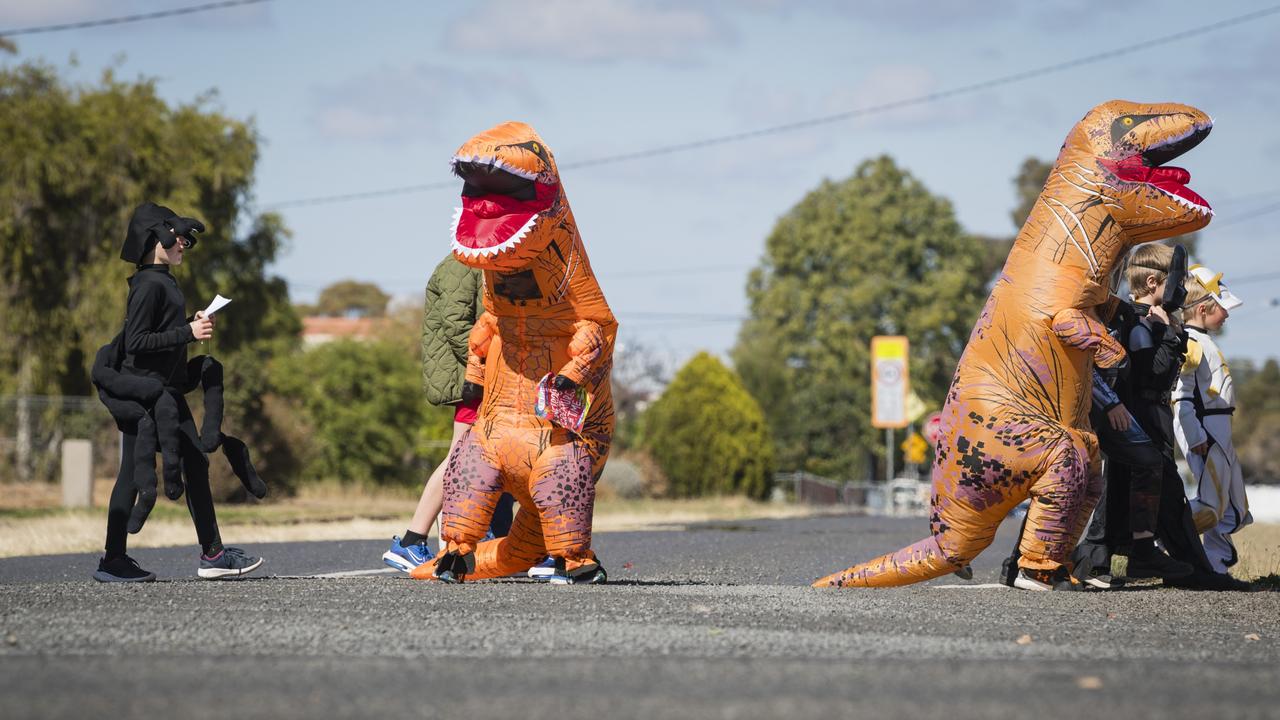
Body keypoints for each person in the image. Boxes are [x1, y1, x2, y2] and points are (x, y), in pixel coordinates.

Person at [94, 202, 263, 582]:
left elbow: (159, 335)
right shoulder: (149, 285)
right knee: (130, 477)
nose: (184, 245)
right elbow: (137, 342)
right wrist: (188, 333)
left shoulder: (163, 280)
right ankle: (113, 560)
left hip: (166, 392)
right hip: (146, 393)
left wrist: (190, 323)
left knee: (196, 465)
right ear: (156, 238)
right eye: (178, 238)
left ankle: (213, 554)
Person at [381, 254, 513, 573]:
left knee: (498, 457)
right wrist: (486, 366)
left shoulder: (489, 264)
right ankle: (411, 541)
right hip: (472, 379)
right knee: (459, 457)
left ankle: (497, 541)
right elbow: (457, 325)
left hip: (485, 375)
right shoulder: (461, 265)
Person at [1174, 264, 1250, 575]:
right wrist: (1196, 438)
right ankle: (1161, 536)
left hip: (1220, 432)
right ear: (1204, 308)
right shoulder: (1190, 343)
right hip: (1207, 434)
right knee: (1210, 507)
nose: (1227, 315)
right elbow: (1180, 397)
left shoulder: (1202, 340)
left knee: (1231, 507)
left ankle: (1215, 566)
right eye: (1223, 309)